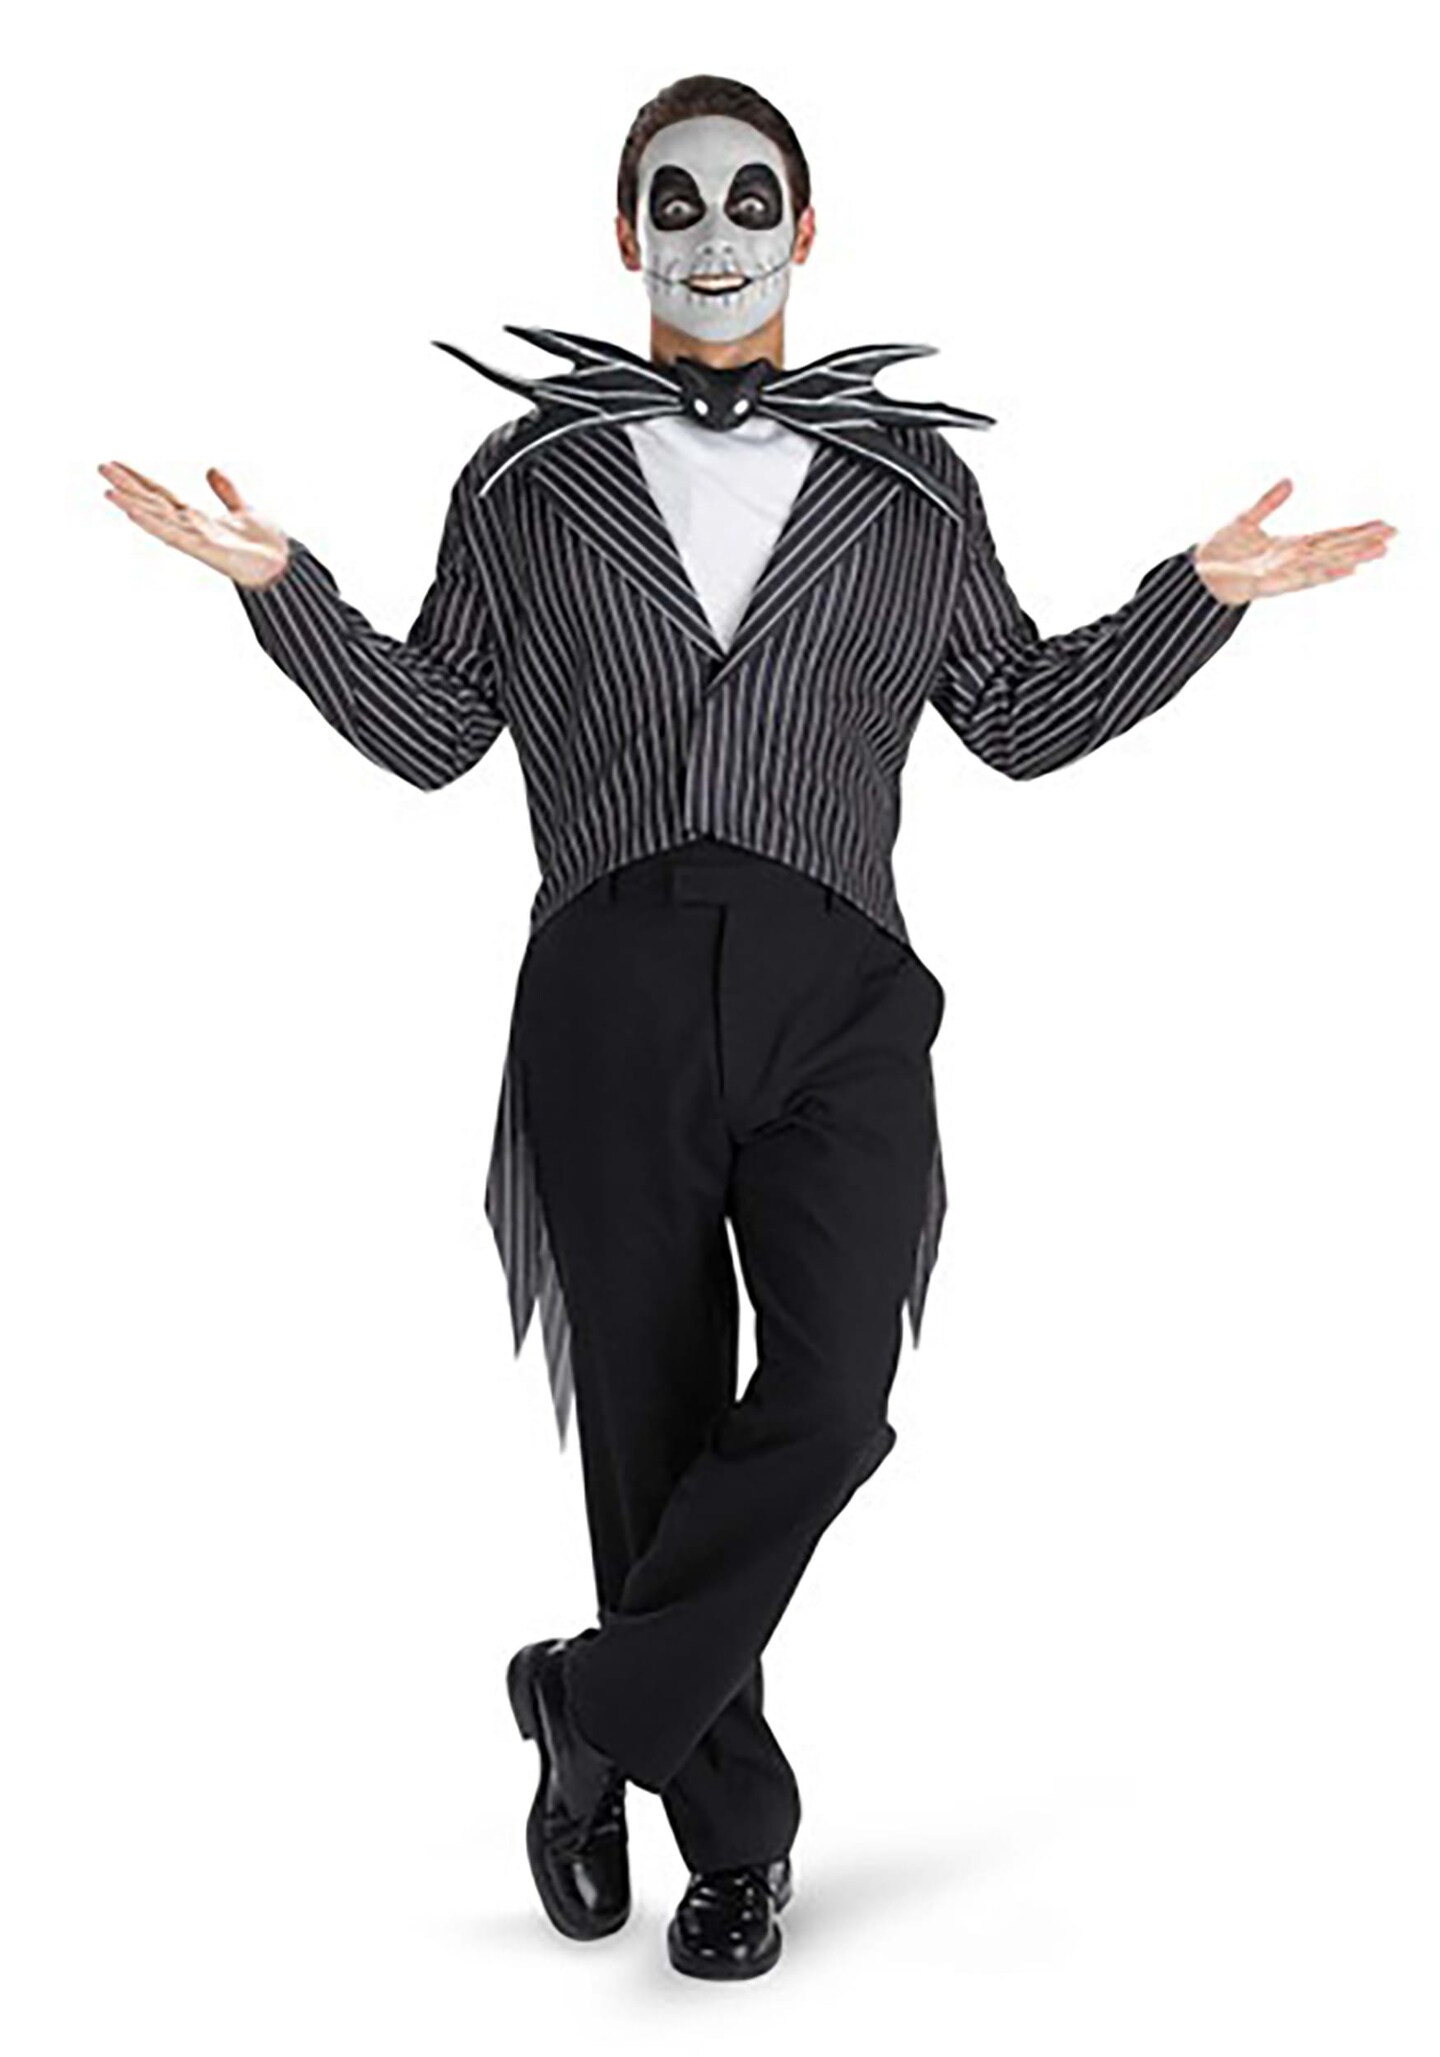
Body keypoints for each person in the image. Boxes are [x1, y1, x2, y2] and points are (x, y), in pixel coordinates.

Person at [97, 72, 1395, 1983]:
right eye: (679, 203)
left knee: (834, 1394)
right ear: (628, 233)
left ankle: (587, 1707)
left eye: (751, 199)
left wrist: (1195, 601)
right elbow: (435, 731)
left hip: (839, 986)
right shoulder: (527, 479)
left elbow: (1019, 717)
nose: (717, 237)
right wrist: (283, 596)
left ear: (806, 227)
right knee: (650, 1426)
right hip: (607, 981)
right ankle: (732, 1841)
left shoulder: (908, 482)